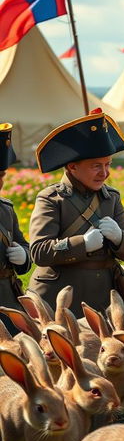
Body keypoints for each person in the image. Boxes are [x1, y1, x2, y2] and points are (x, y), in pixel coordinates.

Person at [29, 111, 124, 318]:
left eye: (108, 164)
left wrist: (119, 238)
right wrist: (83, 244)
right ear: (72, 167)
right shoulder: (50, 199)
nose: (104, 173)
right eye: (96, 166)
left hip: (104, 297)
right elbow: (39, 252)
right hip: (59, 299)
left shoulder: (111, 198)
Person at [0, 123, 30, 335]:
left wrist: (24, 257)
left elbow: (24, 245)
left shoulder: (6, 210)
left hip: (7, 300)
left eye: (1, 175)